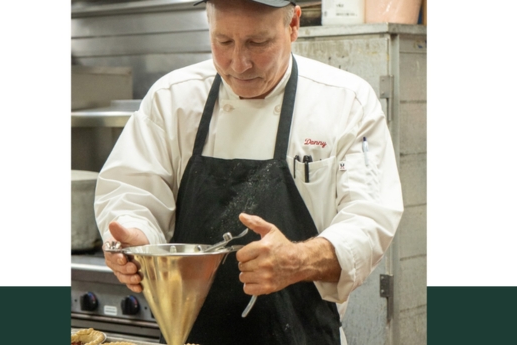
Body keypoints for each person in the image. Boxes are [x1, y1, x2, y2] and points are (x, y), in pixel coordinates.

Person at [94, 0, 404, 344]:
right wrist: (137, 239)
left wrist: (299, 259)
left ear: (293, 25)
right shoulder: (172, 99)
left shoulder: (346, 103)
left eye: (258, 43)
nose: (239, 63)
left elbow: (369, 217)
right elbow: (134, 191)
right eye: (223, 41)